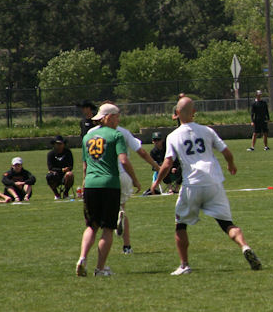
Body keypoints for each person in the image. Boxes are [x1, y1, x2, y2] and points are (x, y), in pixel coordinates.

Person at [151, 96, 262, 275]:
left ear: (177, 113)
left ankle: (184, 265)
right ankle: (244, 246)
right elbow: (226, 152)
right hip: (213, 182)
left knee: (180, 225)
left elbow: (167, 163)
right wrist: (231, 165)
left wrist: (156, 182)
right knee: (227, 224)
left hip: (192, 185)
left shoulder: (173, 136)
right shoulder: (207, 131)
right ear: (194, 112)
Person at [76, 103, 140, 277]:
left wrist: (84, 184)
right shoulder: (116, 135)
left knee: (91, 226)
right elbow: (124, 161)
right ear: (108, 117)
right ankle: (100, 268)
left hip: (90, 184)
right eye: (117, 117)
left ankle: (82, 258)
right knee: (107, 228)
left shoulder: (87, 137)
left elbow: (84, 166)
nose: (118, 120)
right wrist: (135, 180)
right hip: (109, 184)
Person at [112, 119, 160, 255]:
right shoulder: (123, 132)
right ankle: (127, 247)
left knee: (104, 212)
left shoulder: (93, 133)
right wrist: (156, 167)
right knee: (122, 207)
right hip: (123, 174)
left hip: (104, 175)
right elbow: (142, 152)